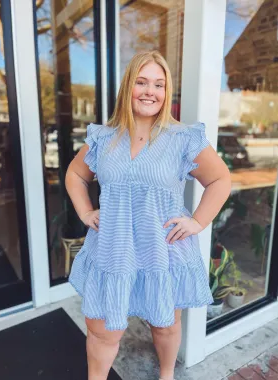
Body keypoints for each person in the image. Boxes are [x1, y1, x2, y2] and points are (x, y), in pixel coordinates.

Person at [65, 50, 231, 380]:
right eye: (141, 82)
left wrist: (197, 222)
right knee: (101, 331)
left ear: (167, 93)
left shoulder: (183, 138)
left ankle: (166, 374)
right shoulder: (104, 137)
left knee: (165, 326)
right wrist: (85, 211)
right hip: (112, 249)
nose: (149, 91)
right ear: (128, 87)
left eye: (159, 84)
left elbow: (220, 179)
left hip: (162, 251)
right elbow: (75, 174)